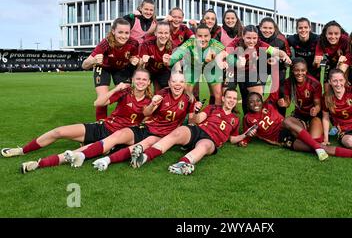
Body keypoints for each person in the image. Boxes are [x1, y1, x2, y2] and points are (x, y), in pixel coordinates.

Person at [9, 69, 153, 173]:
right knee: (59, 131)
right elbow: (98, 103)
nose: (141, 82)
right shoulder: (124, 92)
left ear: (149, 83)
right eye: (138, 79)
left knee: (75, 152)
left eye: (144, 79)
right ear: (133, 80)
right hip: (103, 127)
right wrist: (115, 89)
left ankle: (39, 164)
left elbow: (146, 123)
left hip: (116, 138)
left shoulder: (151, 102)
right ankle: (23, 150)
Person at [62, 73, 199, 171]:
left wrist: (196, 111)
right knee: (118, 135)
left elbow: (192, 121)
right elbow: (146, 113)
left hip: (162, 135)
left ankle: (106, 160)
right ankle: (81, 155)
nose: (177, 84)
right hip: (147, 127)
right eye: (174, 81)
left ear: (184, 83)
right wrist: (153, 104)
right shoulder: (163, 93)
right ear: (169, 83)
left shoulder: (189, 98)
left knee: (143, 144)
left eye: (181, 81)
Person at [128, 88, 245, 175]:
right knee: (178, 132)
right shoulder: (212, 107)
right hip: (198, 130)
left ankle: (181, 164)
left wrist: (245, 135)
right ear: (223, 98)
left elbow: (232, 138)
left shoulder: (235, 118)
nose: (232, 100)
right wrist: (196, 111)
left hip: (210, 140)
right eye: (229, 97)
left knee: (204, 146)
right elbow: (196, 120)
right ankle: (144, 157)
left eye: (234, 98)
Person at [242, 92, 352, 163]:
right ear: (247, 104)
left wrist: (275, 62)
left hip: (294, 124)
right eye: (251, 102)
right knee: (320, 147)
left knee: (287, 121)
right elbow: (247, 135)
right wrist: (245, 140)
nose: (255, 103)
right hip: (283, 138)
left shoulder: (268, 105)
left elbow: (276, 86)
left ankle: (317, 145)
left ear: (262, 101)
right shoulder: (247, 118)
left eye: (258, 100)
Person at [217, 25, 292, 114]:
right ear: (243, 36)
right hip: (233, 71)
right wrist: (221, 63)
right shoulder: (236, 43)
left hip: (250, 72)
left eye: (254, 38)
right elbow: (220, 55)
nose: (252, 41)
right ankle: (224, 120)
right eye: (248, 38)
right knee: (227, 97)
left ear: (257, 37)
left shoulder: (260, 44)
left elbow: (277, 52)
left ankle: (255, 121)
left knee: (258, 97)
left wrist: (285, 56)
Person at [80, 18, 139, 120]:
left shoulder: (134, 43)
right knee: (102, 98)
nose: (124, 36)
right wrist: (93, 61)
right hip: (104, 68)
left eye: (127, 33)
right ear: (113, 31)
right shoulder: (105, 43)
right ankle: (100, 126)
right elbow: (84, 65)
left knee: (126, 96)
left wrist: (135, 61)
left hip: (121, 68)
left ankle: (120, 121)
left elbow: (136, 61)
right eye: (120, 32)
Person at [269, 57, 323, 142]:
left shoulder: (315, 84)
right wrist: (283, 103)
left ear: (306, 70)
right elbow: (288, 103)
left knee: (314, 140)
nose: (300, 73)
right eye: (296, 70)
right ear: (292, 70)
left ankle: (309, 130)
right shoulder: (288, 82)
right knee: (286, 122)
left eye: (303, 70)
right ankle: (303, 131)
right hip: (299, 116)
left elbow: (318, 105)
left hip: (313, 116)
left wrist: (315, 109)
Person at [169, 23, 225, 105]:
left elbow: (225, 54)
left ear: (210, 36)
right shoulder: (189, 43)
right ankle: (190, 113)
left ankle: (214, 115)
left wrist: (222, 60)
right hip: (193, 67)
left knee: (218, 94)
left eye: (206, 36)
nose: (203, 39)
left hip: (210, 68)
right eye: (200, 36)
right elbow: (176, 55)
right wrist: (169, 59)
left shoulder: (214, 43)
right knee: (187, 92)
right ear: (195, 36)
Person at [258, 17, 291, 116]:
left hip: (278, 67)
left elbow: (288, 56)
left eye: (270, 28)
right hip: (261, 66)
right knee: (258, 92)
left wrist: (277, 60)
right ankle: (256, 117)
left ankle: (280, 117)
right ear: (260, 27)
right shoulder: (256, 36)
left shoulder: (281, 39)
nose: (267, 31)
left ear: (274, 29)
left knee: (280, 92)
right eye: (265, 28)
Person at [140, 21, 173, 92]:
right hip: (149, 70)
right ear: (155, 33)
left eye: (166, 33)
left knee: (165, 90)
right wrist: (142, 61)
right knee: (141, 86)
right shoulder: (146, 44)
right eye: (160, 33)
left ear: (169, 34)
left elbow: (174, 65)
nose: (163, 36)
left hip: (163, 71)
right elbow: (140, 65)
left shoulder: (172, 46)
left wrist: (169, 62)